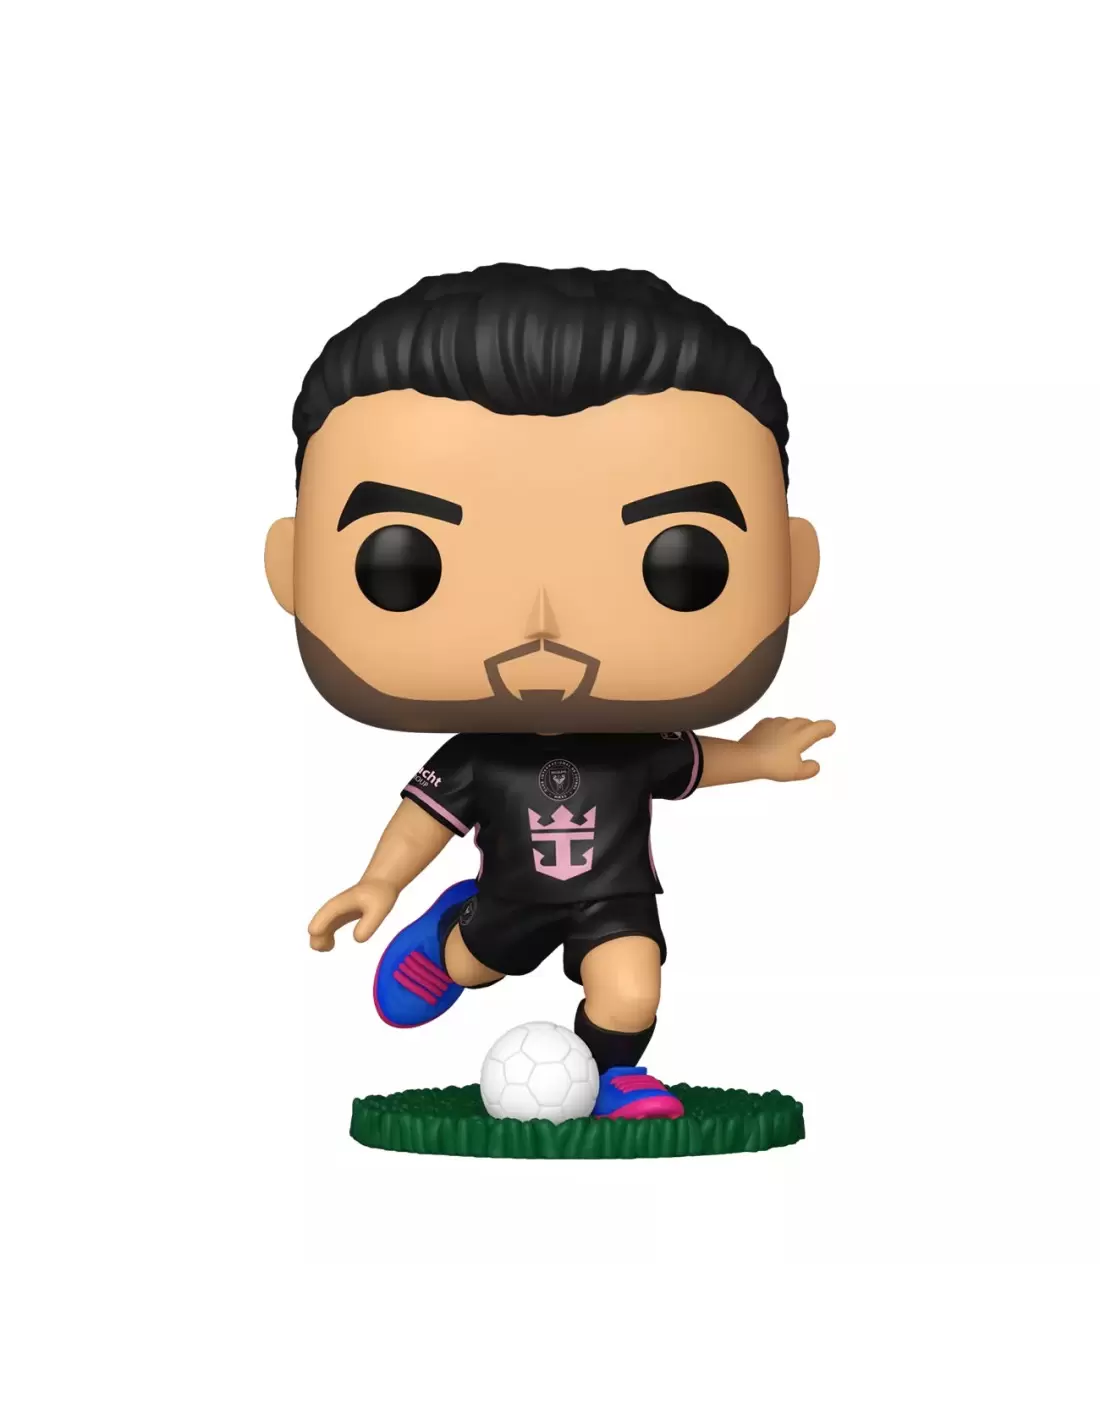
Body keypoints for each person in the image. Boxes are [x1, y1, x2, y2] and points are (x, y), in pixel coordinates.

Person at [265, 264, 833, 1120]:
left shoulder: (633, 746)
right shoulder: (481, 755)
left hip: (613, 897)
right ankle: (448, 939)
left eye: (681, 563)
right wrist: (380, 881)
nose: (542, 627)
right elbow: (426, 814)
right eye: (404, 564)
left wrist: (756, 757)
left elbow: (689, 765)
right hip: (510, 897)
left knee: (631, 991)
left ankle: (611, 1076)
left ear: (792, 568)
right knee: (476, 966)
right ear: (293, 568)